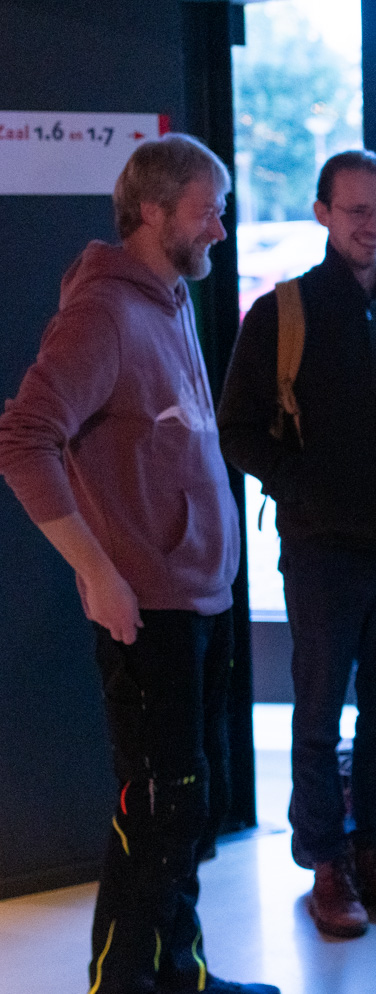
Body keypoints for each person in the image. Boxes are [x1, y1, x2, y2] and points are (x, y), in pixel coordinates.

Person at [0, 135, 276, 994]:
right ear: (152, 212)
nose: (220, 229)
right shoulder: (103, 313)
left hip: (198, 601)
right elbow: (23, 439)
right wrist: (98, 572)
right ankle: (123, 984)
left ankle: (178, 973)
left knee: (183, 808)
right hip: (147, 610)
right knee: (158, 805)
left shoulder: (170, 298)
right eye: (207, 212)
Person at [217, 149, 376, 938]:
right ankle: (326, 863)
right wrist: (301, 486)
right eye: (356, 211)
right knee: (315, 716)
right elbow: (237, 428)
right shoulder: (283, 313)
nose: (374, 226)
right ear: (321, 213)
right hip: (322, 550)